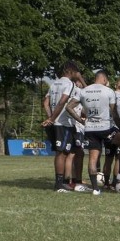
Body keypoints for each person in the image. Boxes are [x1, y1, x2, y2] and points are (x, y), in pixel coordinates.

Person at [42, 61, 84, 193]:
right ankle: (59, 184)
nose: (77, 74)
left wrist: (50, 118)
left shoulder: (54, 84)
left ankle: (61, 183)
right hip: (64, 123)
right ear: (71, 71)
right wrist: (52, 119)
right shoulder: (69, 84)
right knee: (62, 153)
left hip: (56, 123)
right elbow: (63, 102)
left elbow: (46, 102)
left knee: (62, 153)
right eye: (76, 72)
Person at [79, 69, 117, 195]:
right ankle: (111, 182)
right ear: (105, 79)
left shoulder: (84, 91)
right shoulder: (108, 91)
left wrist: (80, 119)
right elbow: (114, 112)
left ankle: (95, 188)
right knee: (114, 154)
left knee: (93, 158)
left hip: (90, 128)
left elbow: (69, 106)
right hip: (106, 127)